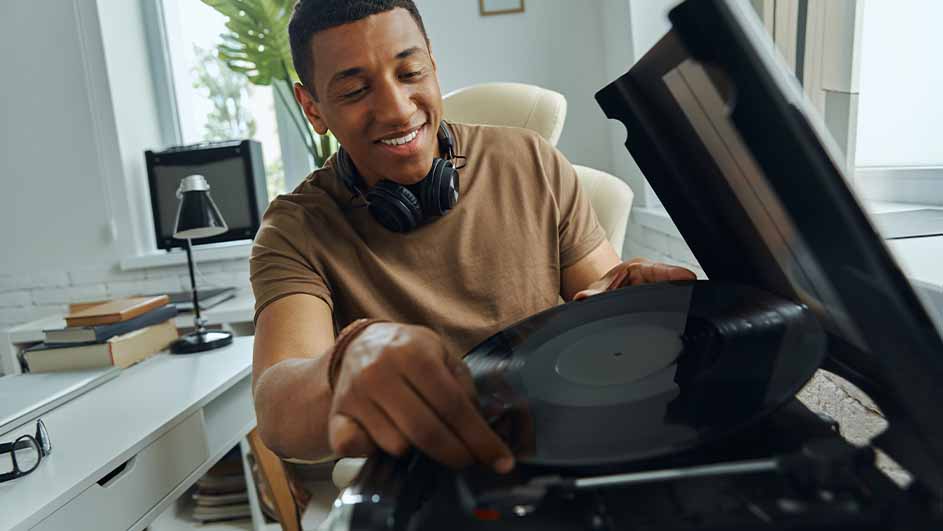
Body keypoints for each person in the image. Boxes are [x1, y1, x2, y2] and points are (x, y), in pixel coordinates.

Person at [250, 0, 695, 475]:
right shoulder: (294, 229)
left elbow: (602, 296)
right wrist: (343, 366)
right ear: (312, 108)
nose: (398, 111)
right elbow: (278, 409)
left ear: (433, 64)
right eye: (356, 90)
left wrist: (632, 306)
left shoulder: (531, 160)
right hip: (431, 479)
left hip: (561, 454)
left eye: (411, 72)